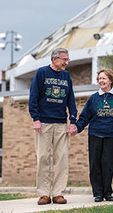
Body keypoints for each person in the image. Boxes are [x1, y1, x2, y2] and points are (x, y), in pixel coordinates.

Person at [73, 68, 113, 202]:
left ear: (111, 80)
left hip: (112, 136)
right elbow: (84, 117)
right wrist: (77, 127)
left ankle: (107, 192)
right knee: (95, 165)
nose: (101, 81)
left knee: (108, 165)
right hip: (95, 135)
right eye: (99, 79)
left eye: (104, 78)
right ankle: (98, 193)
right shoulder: (93, 98)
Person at [28, 47, 77, 205]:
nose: (66, 63)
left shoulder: (66, 75)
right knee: (43, 158)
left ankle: (58, 193)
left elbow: (71, 99)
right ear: (55, 59)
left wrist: (73, 120)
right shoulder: (41, 73)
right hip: (43, 123)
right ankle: (44, 193)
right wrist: (35, 118)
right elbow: (33, 97)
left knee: (61, 159)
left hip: (61, 123)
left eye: (67, 59)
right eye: (64, 59)